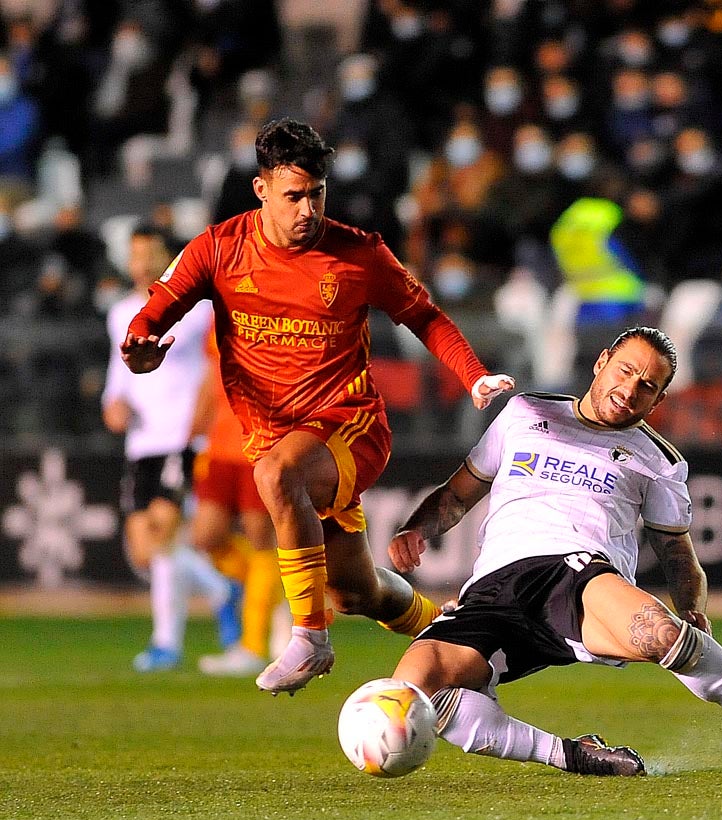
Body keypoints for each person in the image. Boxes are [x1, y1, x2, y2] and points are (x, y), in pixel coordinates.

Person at [120, 118, 514, 696]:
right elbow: (152, 315)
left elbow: (424, 317)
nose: (307, 209)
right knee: (357, 592)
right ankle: (458, 634)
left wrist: (473, 376)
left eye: (317, 194)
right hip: (281, 439)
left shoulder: (359, 254)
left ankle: (309, 638)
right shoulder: (219, 248)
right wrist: (140, 351)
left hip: (349, 426)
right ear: (262, 191)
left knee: (276, 475)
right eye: (293, 195)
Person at [384, 327, 722, 779]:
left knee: (662, 636)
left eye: (648, 385)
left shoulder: (658, 460)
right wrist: (416, 528)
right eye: (625, 371)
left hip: (577, 576)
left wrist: (692, 608)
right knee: (414, 689)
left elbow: (675, 548)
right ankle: (572, 756)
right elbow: (458, 493)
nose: (631, 389)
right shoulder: (524, 413)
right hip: (493, 591)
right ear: (601, 363)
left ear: (659, 399)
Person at [102, 223, 241, 671]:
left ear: (169, 259)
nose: (141, 262)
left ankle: (166, 642)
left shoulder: (197, 310)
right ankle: (221, 590)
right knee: (144, 550)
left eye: (150, 253)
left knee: (163, 535)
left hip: (183, 439)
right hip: (142, 443)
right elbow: (119, 376)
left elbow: (211, 367)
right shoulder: (120, 312)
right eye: (135, 253)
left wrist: (203, 419)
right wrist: (114, 405)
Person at [189, 328, 286, 678]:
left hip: (259, 442)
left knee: (261, 537)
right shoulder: (217, 322)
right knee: (205, 537)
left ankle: (252, 645)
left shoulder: (274, 315)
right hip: (220, 445)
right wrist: (195, 423)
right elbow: (210, 376)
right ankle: (281, 590)